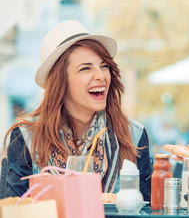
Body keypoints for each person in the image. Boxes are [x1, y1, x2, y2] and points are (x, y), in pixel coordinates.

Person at [2, 20, 152, 201]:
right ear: (60, 81)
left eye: (104, 66)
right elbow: (16, 211)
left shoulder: (133, 135)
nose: (101, 75)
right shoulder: (25, 137)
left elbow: (148, 214)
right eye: (85, 68)